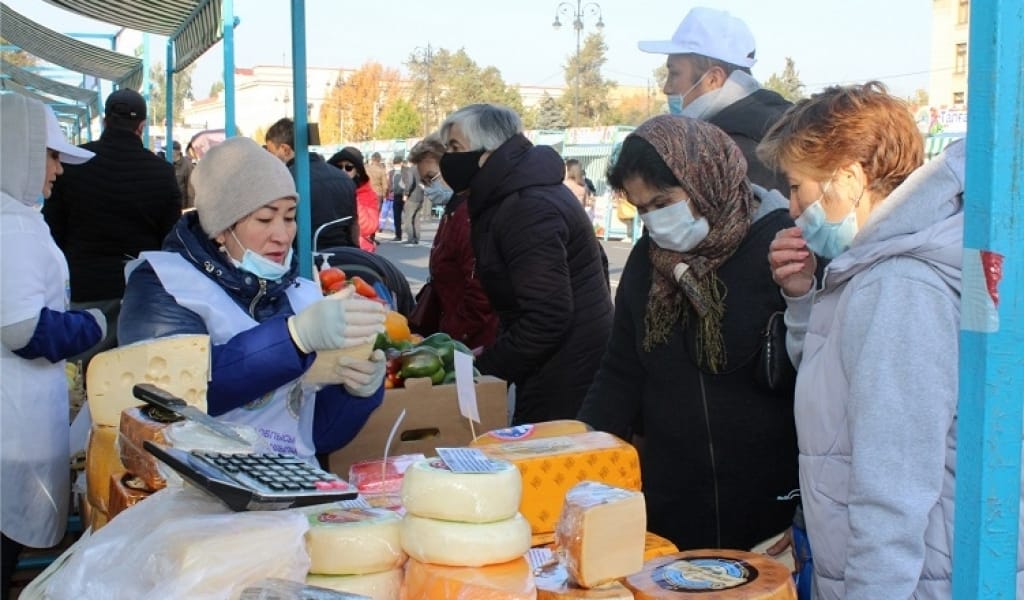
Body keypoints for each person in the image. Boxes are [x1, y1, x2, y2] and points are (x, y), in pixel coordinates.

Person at [758, 82, 972, 598]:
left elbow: (891, 489)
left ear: (848, 179)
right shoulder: (871, 270)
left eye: (797, 188)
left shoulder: (898, 285)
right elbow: (838, 394)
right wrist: (802, 299)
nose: (791, 208)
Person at [577, 115, 799, 553]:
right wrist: (581, 445)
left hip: (771, 511)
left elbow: (825, 383)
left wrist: (810, 514)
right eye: (642, 210)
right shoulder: (647, 263)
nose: (655, 223)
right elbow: (621, 368)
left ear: (706, 182)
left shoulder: (784, 250)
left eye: (663, 203)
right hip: (673, 509)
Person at [118, 137, 388, 463]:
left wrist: (356, 394)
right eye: (264, 219)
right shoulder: (164, 283)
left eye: (289, 217)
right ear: (220, 227)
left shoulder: (301, 294)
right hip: (193, 494)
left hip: (289, 494)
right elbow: (171, 401)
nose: (282, 234)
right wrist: (292, 339)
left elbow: (316, 435)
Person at [438, 103, 613, 424]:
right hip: (561, 360)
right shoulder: (515, 194)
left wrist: (486, 369)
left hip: (566, 371)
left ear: (488, 153)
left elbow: (548, 316)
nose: (447, 159)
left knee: (544, 461)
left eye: (455, 148)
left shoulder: (527, 207)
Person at [1, 94, 105, 597]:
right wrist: (93, 326)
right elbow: (23, 330)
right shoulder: (12, 225)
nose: (58, 170)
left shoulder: (16, 214)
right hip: (10, 431)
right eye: (51, 156)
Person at [42, 88, 182, 369]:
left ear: (106, 121)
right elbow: (170, 240)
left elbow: (52, 228)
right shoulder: (161, 172)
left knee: (82, 380)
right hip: (140, 291)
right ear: (141, 127)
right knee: (131, 382)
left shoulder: (73, 163)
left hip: (83, 288)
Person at [639, 6, 789, 192]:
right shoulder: (776, 124)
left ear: (713, 79)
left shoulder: (729, 149)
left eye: (675, 74)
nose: (667, 88)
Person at [408, 135, 498, 349]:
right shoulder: (453, 212)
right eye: (424, 182)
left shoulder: (466, 215)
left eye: (431, 177)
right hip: (458, 332)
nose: (429, 187)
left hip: (471, 342)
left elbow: (479, 292)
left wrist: (455, 338)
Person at [265, 118, 359, 250]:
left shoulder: (285, 181)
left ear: (285, 149)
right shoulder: (344, 178)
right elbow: (354, 225)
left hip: (305, 260)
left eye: (270, 152)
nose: (269, 158)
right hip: (346, 258)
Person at [328, 147, 380, 253]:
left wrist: (351, 196)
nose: (343, 171)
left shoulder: (366, 193)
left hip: (359, 251)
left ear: (357, 171)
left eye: (348, 167)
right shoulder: (327, 189)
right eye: (338, 167)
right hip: (332, 248)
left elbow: (369, 226)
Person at [388, 155, 407, 241]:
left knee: (407, 216)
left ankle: (410, 235)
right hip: (396, 196)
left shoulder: (406, 171)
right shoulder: (391, 172)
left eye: (397, 164)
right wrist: (390, 191)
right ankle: (398, 235)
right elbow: (390, 184)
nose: (396, 166)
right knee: (396, 216)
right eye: (395, 164)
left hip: (405, 196)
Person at [172, 140, 194, 210]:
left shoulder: (187, 165)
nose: (167, 152)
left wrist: (189, 210)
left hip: (182, 207)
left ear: (177, 151)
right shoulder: (167, 163)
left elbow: (190, 190)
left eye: (170, 150)